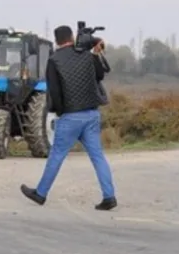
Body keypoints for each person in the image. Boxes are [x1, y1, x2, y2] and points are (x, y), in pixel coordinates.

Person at [20, 25, 117, 210]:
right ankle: (109, 196)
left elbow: (55, 93)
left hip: (71, 116)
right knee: (98, 157)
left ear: (56, 41)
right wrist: (95, 52)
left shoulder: (54, 60)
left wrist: (59, 112)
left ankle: (40, 193)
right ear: (72, 37)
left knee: (56, 155)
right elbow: (100, 75)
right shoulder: (87, 55)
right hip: (92, 114)